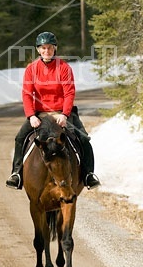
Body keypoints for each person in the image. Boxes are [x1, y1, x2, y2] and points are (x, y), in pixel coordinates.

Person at [6, 31, 100, 190]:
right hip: (39, 114)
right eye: (43, 48)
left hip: (61, 112)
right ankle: (16, 173)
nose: (46, 51)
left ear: (55, 48)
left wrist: (65, 114)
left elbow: (69, 92)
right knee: (20, 138)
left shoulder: (64, 67)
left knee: (83, 138)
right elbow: (27, 93)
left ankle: (88, 174)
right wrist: (30, 116)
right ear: (38, 50)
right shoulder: (31, 69)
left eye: (49, 48)